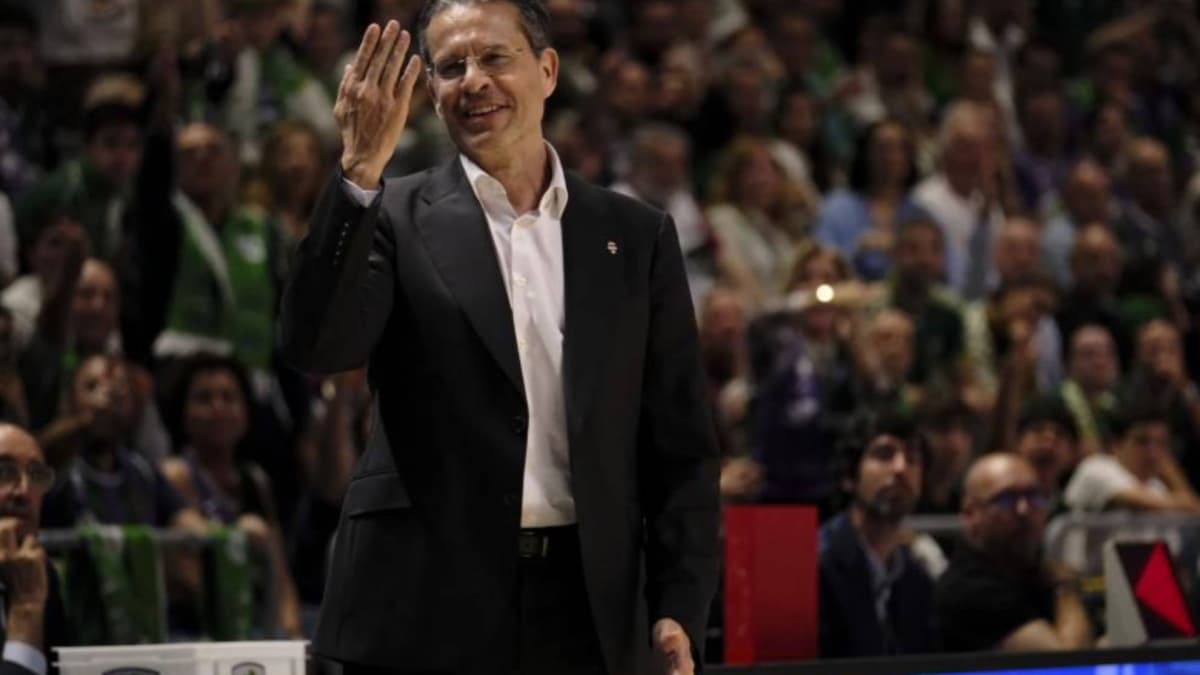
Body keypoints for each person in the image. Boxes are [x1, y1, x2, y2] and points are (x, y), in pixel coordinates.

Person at [278, 2, 720, 674]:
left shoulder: (634, 234)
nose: (473, 80)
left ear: (547, 70)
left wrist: (679, 602)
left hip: (586, 607)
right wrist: (359, 173)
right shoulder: (390, 213)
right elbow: (317, 347)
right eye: (451, 66)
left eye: (493, 57)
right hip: (423, 604)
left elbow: (681, 444)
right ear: (430, 93)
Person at [936, 453, 1093, 652]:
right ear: (971, 514)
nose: (1023, 510)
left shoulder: (1033, 573)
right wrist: (1065, 587)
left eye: (1034, 496)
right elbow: (1069, 664)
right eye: (1006, 499)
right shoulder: (968, 590)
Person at [818, 410, 938, 657]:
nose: (900, 468)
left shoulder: (918, 581)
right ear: (850, 475)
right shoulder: (813, 565)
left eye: (912, 457)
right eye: (884, 455)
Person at [0, 424, 71, 674]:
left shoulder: (39, 572)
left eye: (37, 475)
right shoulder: (31, 587)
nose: (24, 492)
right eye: (4, 472)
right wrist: (26, 609)